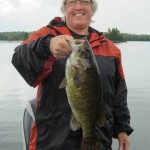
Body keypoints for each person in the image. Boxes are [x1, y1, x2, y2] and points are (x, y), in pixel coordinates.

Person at [11, 0, 133, 150]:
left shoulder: (111, 49)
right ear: (64, 8)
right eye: (72, 2)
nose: (78, 7)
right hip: (52, 142)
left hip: (99, 140)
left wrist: (122, 128)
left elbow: (118, 93)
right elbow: (19, 58)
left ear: (92, 8)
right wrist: (47, 45)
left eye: (85, 2)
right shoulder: (47, 34)